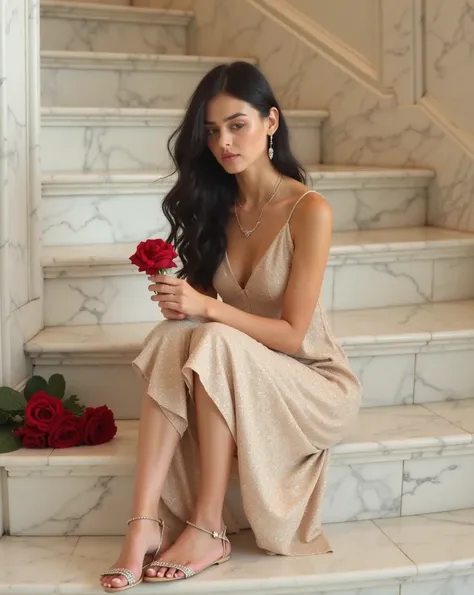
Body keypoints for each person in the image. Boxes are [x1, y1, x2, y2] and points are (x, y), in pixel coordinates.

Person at [100, 61, 362, 592]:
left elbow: (290, 334)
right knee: (172, 337)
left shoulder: (309, 210)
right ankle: (143, 521)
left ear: (271, 122)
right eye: (212, 131)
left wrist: (208, 308)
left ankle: (207, 525)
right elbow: (201, 323)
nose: (224, 142)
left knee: (213, 333)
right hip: (243, 368)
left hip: (311, 382)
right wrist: (182, 303)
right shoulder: (217, 207)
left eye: (237, 124)